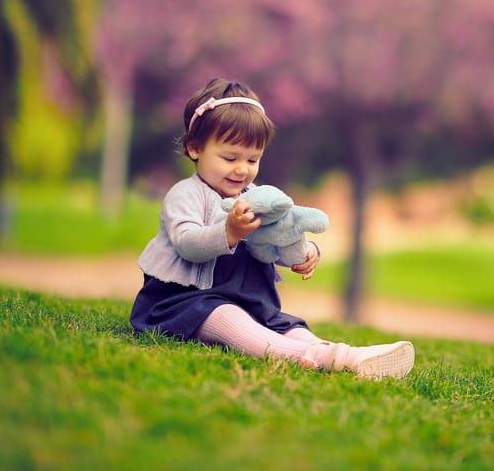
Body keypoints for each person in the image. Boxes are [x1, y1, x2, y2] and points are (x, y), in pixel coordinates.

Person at [130, 78, 415, 380]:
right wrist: (228, 232)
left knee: (287, 325)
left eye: (253, 159)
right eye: (230, 157)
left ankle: (341, 354)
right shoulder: (185, 195)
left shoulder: (256, 197)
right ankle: (313, 357)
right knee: (226, 316)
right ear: (195, 148)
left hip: (251, 303)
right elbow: (187, 243)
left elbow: (273, 239)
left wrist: (304, 253)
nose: (242, 169)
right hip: (183, 303)